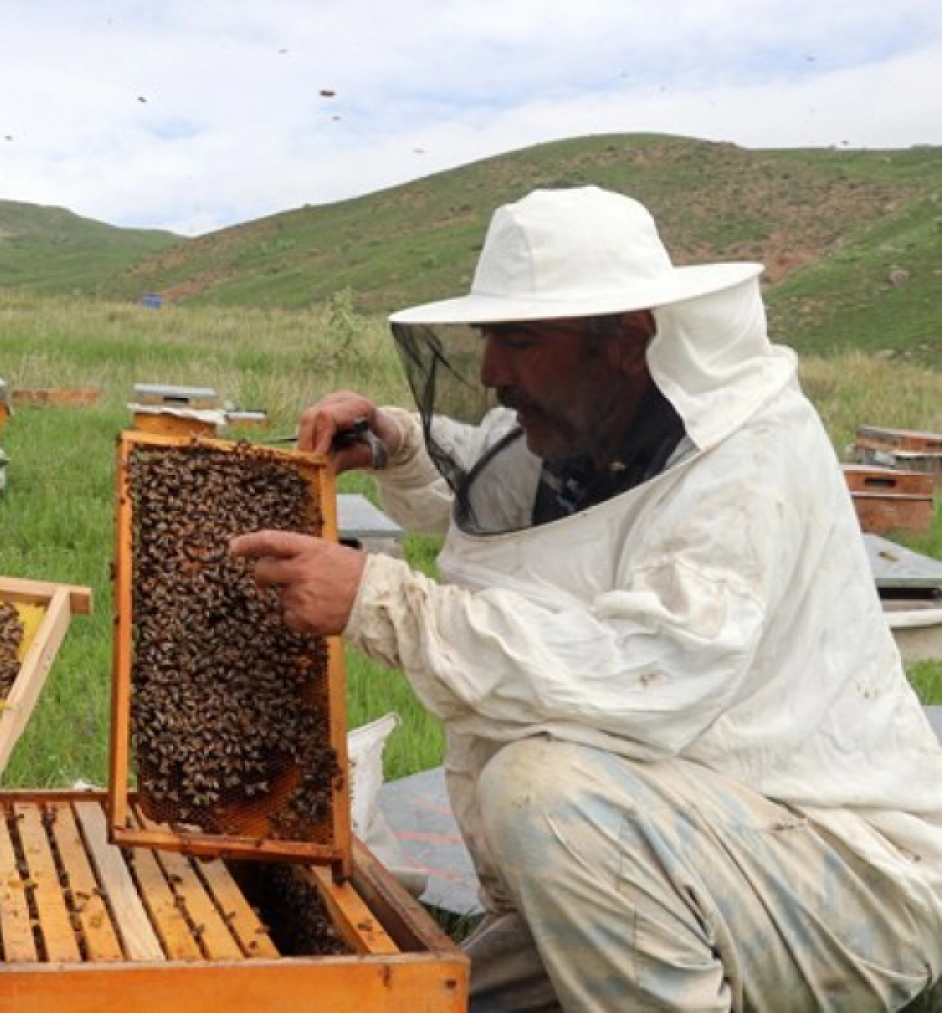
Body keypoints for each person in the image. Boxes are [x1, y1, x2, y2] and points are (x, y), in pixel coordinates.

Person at [232, 186, 942, 1010]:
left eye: (521, 339)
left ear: (627, 341)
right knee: (436, 1002)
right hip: (693, 852)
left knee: (542, 789)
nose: (492, 370)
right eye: (489, 336)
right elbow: (505, 495)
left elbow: (644, 674)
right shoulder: (610, 420)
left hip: (850, 875)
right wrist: (397, 442)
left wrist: (383, 603)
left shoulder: (748, 458)